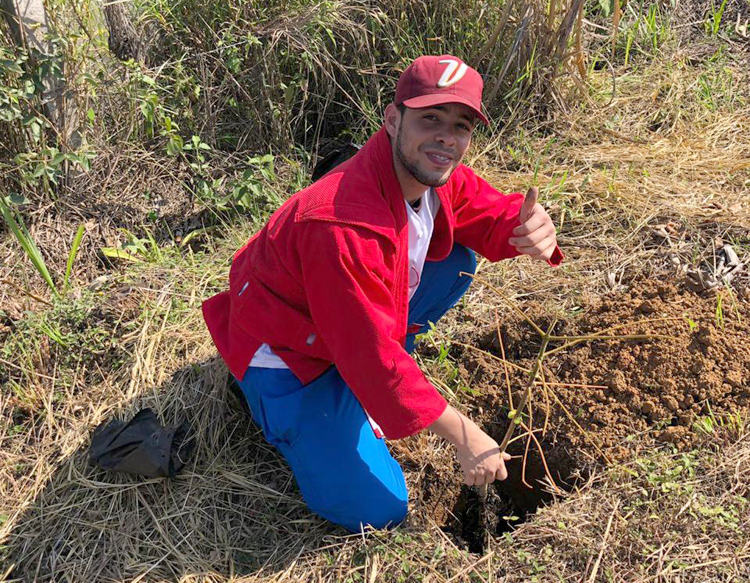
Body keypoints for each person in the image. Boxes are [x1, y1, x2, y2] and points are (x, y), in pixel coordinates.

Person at [202, 54, 563, 533]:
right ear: (392, 119)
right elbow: (369, 355)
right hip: (289, 350)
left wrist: (529, 227)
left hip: (341, 326)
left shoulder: (433, 174)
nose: (445, 138)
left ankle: (363, 395)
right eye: (429, 118)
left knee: (455, 261)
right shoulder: (340, 223)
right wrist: (464, 434)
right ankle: (265, 402)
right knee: (378, 511)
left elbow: (491, 212)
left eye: (460, 126)